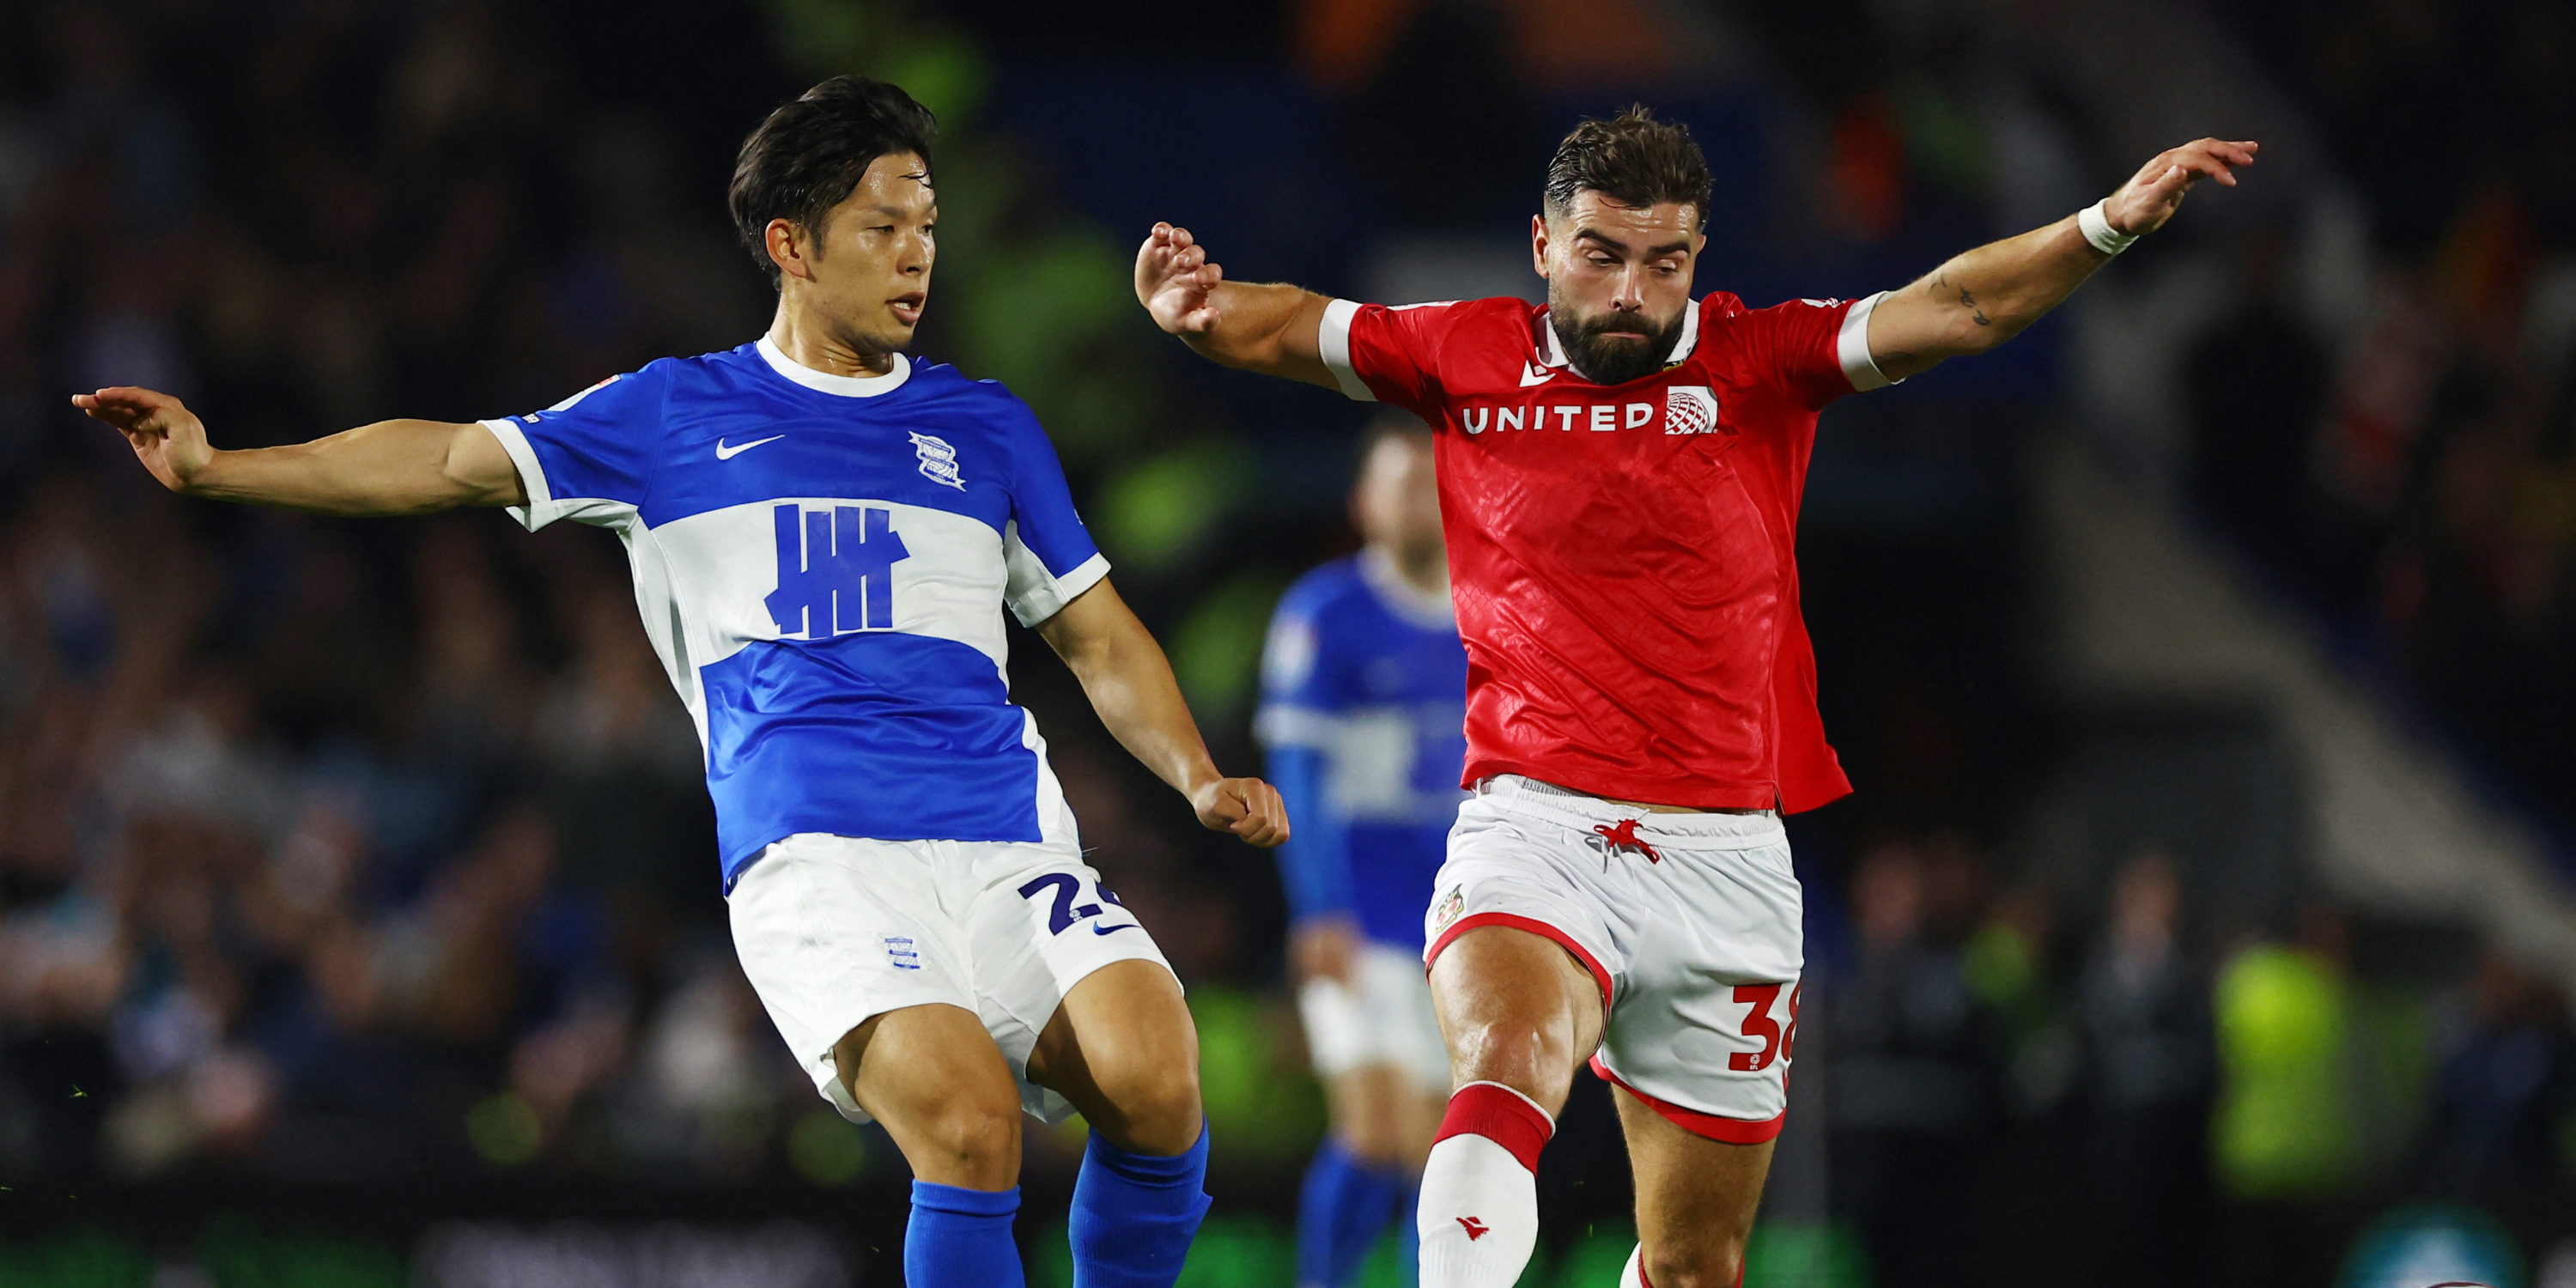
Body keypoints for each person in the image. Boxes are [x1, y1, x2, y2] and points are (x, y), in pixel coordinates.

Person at [78, 76, 1287, 1288]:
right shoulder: (671, 414)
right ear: (791, 246)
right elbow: (443, 458)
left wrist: (1195, 772)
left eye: (927, 226)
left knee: (1157, 1074)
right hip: (821, 861)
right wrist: (219, 466)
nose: (917, 255)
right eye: (883, 228)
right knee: (970, 1130)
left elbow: (1095, 631)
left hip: (1007, 839)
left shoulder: (985, 426)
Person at [1133, 105, 2257, 1288]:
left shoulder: (1761, 359)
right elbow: (1293, 327)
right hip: (1536, 824)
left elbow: (1959, 306)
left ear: (1696, 261)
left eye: (1663, 264)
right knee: (1508, 1057)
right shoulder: (1464, 353)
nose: (1631, 291)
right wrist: (1193, 312)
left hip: (1727, 861)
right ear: (1541, 245)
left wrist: (2106, 225)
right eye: (1601, 256)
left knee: (1693, 1264)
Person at [1258, 420, 1468, 1288]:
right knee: (1379, 1133)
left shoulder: (1506, 613)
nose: (1421, 497)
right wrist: (1319, 909)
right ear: (1364, 505)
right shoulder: (1325, 614)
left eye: (1433, 480)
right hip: (1365, 913)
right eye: (1400, 483)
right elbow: (1298, 774)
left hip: (1468, 918)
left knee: (1448, 1153)